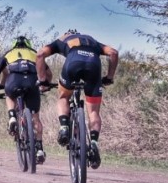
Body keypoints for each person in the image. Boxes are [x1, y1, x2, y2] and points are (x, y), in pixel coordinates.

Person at [36, 29, 119, 169]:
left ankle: (63, 127)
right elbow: (114, 53)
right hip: (94, 66)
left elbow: (40, 54)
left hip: (73, 64)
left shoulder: (62, 40)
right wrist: (109, 77)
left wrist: (42, 80)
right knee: (93, 112)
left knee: (63, 96)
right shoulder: (92, 41)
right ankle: (93, 143)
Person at [0, 36, 53, 163]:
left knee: (9, 94)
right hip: (32, 83)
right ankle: (39, 148)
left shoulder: (8, 53)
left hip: (13, 82)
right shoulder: (35, 53)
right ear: (28, 44)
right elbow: (49, 75)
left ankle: (12, 116)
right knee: (36, 118)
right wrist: (45, 85)